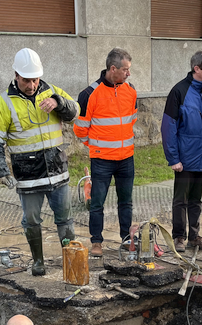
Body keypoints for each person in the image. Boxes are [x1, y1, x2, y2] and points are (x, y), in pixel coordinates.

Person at [0, 48, 79, 276]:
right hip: (28, 175)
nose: (32, 85)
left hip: (57, 171)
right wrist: (1, 171)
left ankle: (71, 262)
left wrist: (58, 102)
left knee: (65, 218)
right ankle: (38, 261)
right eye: (27, 80)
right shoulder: (3, 103)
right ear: (16, 75)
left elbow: (75, 111)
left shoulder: (52, 92)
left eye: (35, 79)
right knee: (31, 221)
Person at [74, 48, 138, 257]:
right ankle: (96, 243)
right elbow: (80, 129)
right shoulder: (89, 94)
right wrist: (97, 147)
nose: (129, 74)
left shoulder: (131, 91)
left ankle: (127, 240)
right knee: (97, 204)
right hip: (101, 160)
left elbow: (132, 120)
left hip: (126, 159)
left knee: (126, 202)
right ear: (113, 68)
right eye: (125, 69)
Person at [161, 51, 202, 252]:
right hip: (185, 158)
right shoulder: (179, 91)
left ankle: (194, 236)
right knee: (181, 200)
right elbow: (168, 127)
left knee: (197, 199)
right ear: (197, 68)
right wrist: (173, 158)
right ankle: (179, 236)